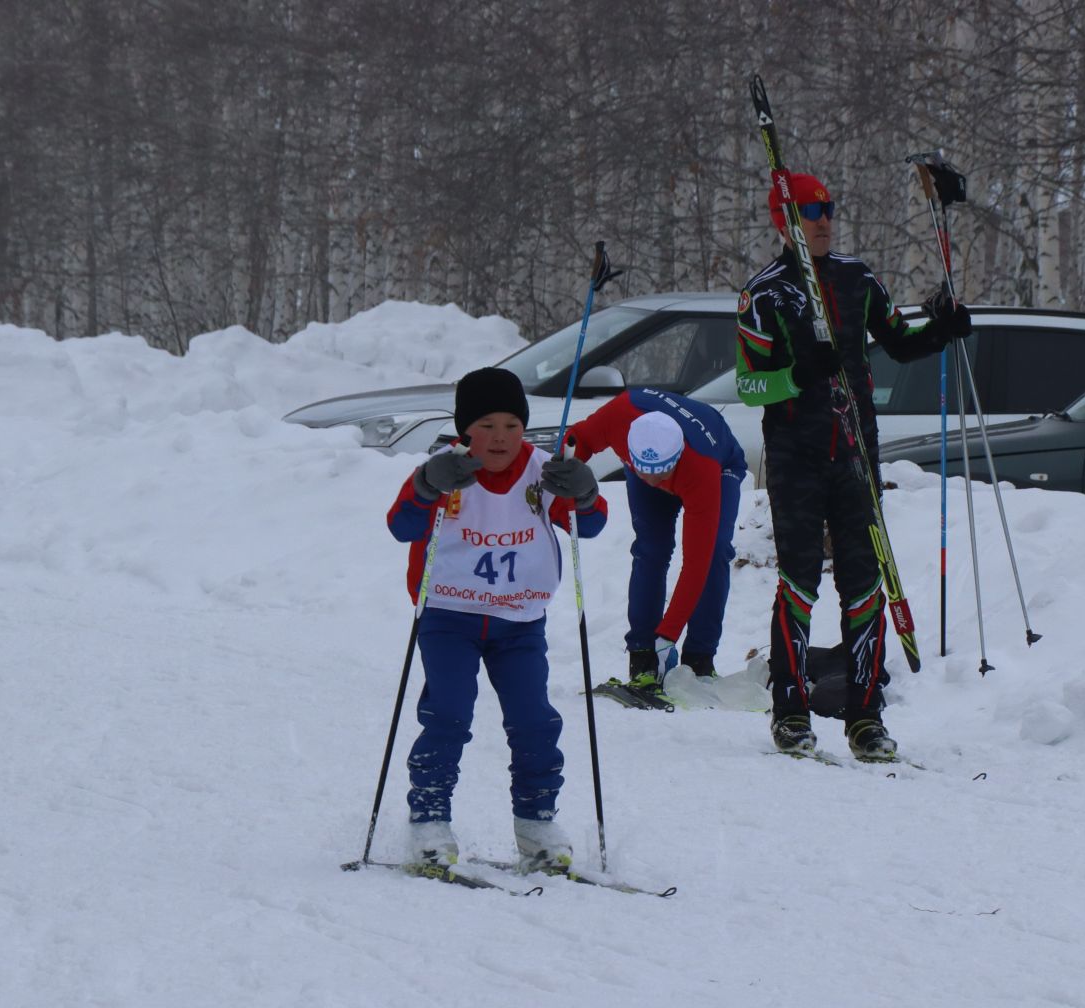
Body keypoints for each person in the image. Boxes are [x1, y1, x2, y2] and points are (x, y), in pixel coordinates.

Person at [735, 171, 972, 761]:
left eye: (829, 208)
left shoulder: (856, 277)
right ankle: (790, 711)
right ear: (783, 221)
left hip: (856, 453)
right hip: (795, 455)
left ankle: (865, 718)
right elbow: (747, 385)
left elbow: (898, 340)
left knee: (865, 585)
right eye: (810, 210)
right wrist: (797, 374)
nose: (823, 219)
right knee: (799, 583)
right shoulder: (763, 293)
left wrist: (939, 329)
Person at [384, 366, 607, 873]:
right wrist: (425, 486)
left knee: (534, 722)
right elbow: (401, 525)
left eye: (512, 424)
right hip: (449, 615)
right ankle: (429, 822)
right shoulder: (446, 469)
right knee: (449, 715)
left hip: (519, 620)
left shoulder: (544, 470)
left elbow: (589, 526)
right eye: (487, 424)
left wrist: (585, 493)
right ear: (465, 429)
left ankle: (537, 823)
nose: (501, 437)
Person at [561, 388, 747, 688]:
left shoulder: (701, 467)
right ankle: (642, 653)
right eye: (645, 470)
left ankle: (699, 658)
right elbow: (577, 439)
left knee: (713, 554)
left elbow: (695, 565)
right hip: (658, 458)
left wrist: (669, 635)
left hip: (717, 464)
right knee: (651, 549)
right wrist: (567, 467)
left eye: (661, 472)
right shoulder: (617, 417)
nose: (653, 480)